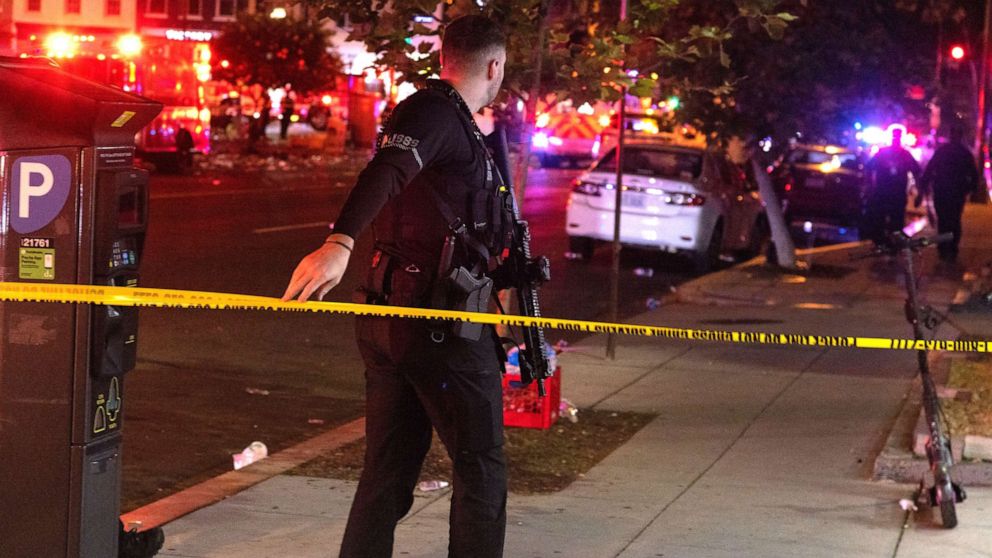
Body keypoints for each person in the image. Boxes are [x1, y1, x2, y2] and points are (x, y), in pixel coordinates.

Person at [282, 15, 511, 558]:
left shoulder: (458, 124)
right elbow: (385, 171)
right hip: (437, 329)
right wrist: (339, 242)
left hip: (400, 321)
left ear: (445, 57)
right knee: (482, 470)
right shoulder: (434, 113)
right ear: (495, 65)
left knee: (388, 471)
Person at [918, 124, 980, 262]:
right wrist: (970, 189)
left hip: (942, 191)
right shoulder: (964, 153)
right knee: (954, 220)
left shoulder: (943, 151)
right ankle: (951, 247)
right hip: (956, 193)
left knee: (944, 220)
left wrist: (923, 187)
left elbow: (929, 170)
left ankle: (944, 247)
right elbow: (974, 175)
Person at [864, 128, 921, 245]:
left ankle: (888, 244)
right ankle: (882, 243)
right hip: (885, 192)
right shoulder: (886, 153)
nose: (896, 139)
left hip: (894, 193)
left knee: (894, 221)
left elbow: (916, 172)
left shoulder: (903, 154)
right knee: (883, 220)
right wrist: (870, 186)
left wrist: (919, 191)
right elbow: (869, 169)